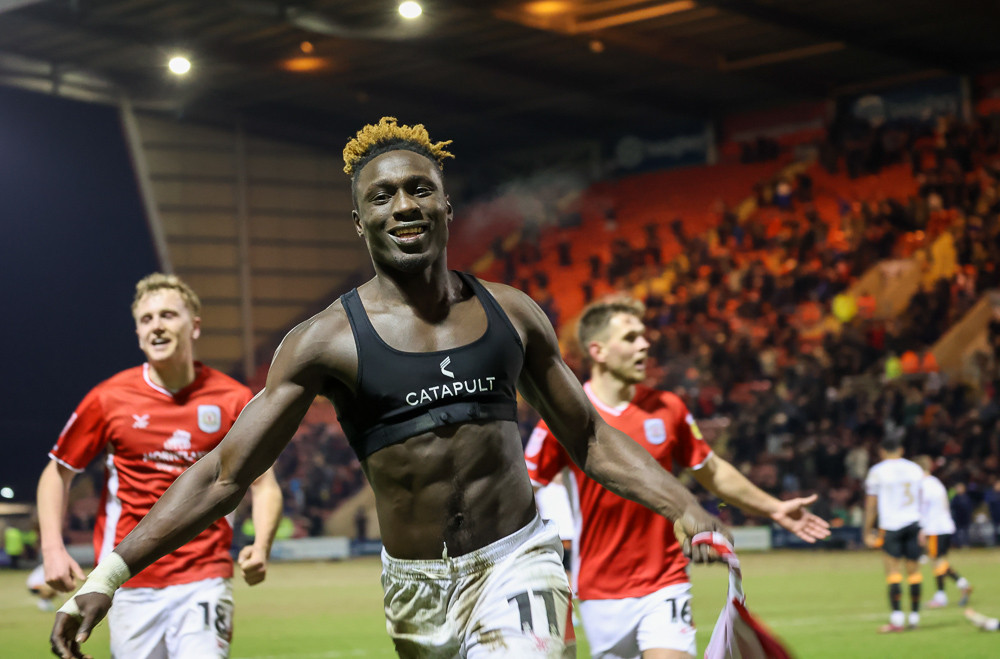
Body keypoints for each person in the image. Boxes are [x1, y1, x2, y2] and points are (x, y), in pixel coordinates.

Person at [50, 118, 732, 659]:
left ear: (445, 204)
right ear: (359, 222)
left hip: (517, 557)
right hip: (416, 586)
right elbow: (225, 473)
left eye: (418, 189)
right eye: (381, 195)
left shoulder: (512, 314)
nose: (402, 205)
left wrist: (683, 504)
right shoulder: (324, 341)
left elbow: (585, 434)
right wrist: (107, 575)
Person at [525, 296, 829, 658]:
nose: (645, 344)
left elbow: (711, 470)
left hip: (665, 580)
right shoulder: (565, 418)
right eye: (631, 337)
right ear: (598, 351)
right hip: (599, 588)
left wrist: (774, 507)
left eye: (644, 336)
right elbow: (524, 487)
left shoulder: (668, 408)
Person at [39, 273, 283, 659]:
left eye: (168, 315)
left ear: (195, 326)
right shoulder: (108, 398)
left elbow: (264, 484)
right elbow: (58, 472)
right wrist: (52, 548)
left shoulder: (233, 399)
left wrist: (262, 544)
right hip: (129, 579)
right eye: (147, 319)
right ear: (137, 332)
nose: (157, 326)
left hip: (204, 577)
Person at [863, 434, 925, 633]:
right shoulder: (915, 469)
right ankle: (914, 617)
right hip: (914, 524)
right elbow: (923, 498)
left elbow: (871, 505)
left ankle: (897, 619)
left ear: (882, 451)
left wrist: (866, 531)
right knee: (914, 572)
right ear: (901, 450)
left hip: (891, 525)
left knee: (893, 572)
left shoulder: (877, 471)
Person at [915, 455, 972, 608]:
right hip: (945, 526)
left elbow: (924, 510)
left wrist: (922, 529)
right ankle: (960, 586)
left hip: (935, 528)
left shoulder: (924, 485)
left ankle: (945, 594)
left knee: (937, 562)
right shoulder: (935, 483)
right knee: (939, 561)